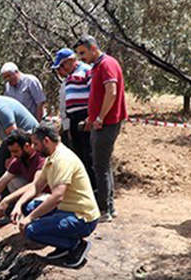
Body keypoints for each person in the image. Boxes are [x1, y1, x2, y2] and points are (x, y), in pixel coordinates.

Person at [12, 122, 100, 268]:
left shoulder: (62, 160)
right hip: (65, 208)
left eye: (35, 144)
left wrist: (29, 218)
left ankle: (75, 245)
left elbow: (57, 196)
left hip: (82, 218)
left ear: (46, 141)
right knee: (29, 206)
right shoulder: (51, 158)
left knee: (31, 230)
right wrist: (18, 205)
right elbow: (36, 186)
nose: (33, 148)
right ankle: (63, 245)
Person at [74, 34, 127, 222]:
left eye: (82, 53)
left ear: (93, 48)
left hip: (107, 122)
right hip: (101, 122)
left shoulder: (107, 64)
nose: (81, 57)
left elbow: (111, 92)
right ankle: (108, 206)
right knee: (103, 164)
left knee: (100, 165)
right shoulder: (97, 66)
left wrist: (100, 117)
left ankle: (105, 209)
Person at [52, 48, 95, 189]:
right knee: (78, 154)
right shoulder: (69, 78)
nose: (61, 70)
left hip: (85, 116)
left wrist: (91, 116)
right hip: (73, 119)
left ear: (70, 61)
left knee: (88, 154)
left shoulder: (86, 70)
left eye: (62, 66)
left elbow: (94, 94)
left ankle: (94, 188)